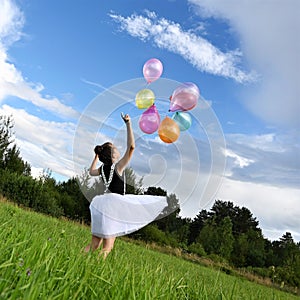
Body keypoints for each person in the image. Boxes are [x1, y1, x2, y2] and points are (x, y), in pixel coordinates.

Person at [85, 113, 167, 258]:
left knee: (94, 245)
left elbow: (91, 172)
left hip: (102, 203)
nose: (118, 150)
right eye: (115, 149)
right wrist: (128, 124)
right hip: (113, 205)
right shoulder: (118, 167)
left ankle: (77, 261)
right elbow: (132, 147)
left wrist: (96, 157)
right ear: (112, 155)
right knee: (107, 247)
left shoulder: (102, 169)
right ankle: (93, 270)